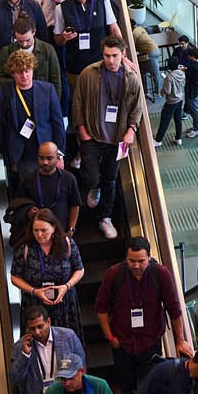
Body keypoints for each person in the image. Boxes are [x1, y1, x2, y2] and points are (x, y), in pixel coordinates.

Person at [94, 236, 187, 394]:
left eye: (141, 261)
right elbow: (101, 308)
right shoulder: (114, 274)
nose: (136, 266)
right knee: (127, 388)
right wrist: (110, 337)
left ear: (149, 258)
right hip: (122, 343)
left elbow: (174, 309)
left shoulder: (161, 274)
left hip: (150, 342)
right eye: (132, 261)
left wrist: (180, 340)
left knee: (152, 385)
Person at [72, 35, 148, 240]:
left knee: (111, 179)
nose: (110, 60)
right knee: (92, 175)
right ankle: (93, 188)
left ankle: (105, 217)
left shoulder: (131, 78)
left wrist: (131, 129)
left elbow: (137, 108)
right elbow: (77, 100)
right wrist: (81, 129)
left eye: (115, 56)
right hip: (92, 135)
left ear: (123, 55)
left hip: (117, 138)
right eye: (107, 56)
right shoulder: (90, 73)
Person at [0, 47, 67, 182]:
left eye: (27, 71)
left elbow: (57, 122)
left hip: (46, 150)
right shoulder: (2, 92)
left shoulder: (47, 89)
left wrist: (59, 154)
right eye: (19, 72)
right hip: (21, 154)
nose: (24, 76)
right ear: (12, 73)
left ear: (33, 69)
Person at [11, 204, 85, 337]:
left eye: (43, 230)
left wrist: (66, 286)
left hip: (63, 302)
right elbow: (14, 277)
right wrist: (34, 291)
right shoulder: (25, 249)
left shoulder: (67, 244)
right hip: (35, 304)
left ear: (54, 228)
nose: (39, 234)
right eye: (35, 230)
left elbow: (79, 269)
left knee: (66, 345)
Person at [8, 300, 88, 394]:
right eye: (32, 328)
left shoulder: (68, 336)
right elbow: (15, 378)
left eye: (40, 326)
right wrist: (25, 354)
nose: (37, 332)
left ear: (48, 321)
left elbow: (82, 369)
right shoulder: (20, 346)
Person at [155, 36, 198, 145]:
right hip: (180, 97)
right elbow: (186, 75)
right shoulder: (184, 73)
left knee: (166, 119)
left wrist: (161, 92)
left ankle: (197, 128)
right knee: (178, 118)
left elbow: (166, 90)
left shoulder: (170, 77)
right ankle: (179, 137)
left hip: (175, 99)